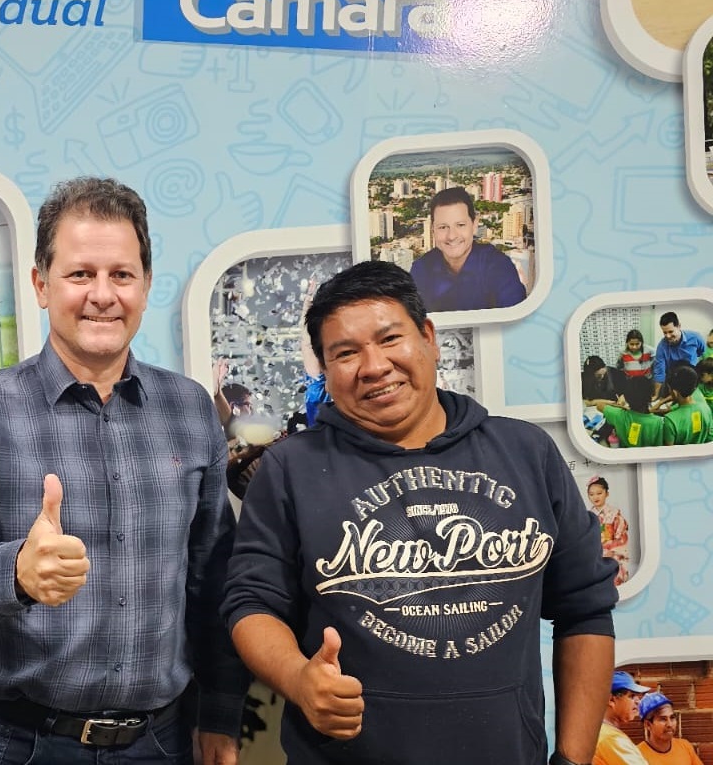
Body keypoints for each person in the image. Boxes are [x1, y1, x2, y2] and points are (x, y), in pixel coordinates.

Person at [0, 176, 248, 765]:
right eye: (80, 274)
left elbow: (212, 575)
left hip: (160, 743)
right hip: (14, 743)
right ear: (42, 284)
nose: (102, 295)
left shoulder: (190, 409)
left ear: (145, 285)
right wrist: (15, 570)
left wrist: (220, 711)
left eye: (122, 274)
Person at [223, 260, 617, 765]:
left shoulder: (526, 453)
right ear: (325, 368)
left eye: (390, 338)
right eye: (345, 352)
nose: (373, 366)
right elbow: (252, 605)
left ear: (428, 338)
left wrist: (572, 759)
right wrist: (300, 680)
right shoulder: (289, 469)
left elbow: (585, 609)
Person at [408, 186, 527, 312]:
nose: (452, 236)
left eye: (460, 225)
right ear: (433, 230)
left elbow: (516, 317)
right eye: (443, 227)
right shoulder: (421, 269)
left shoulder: (499, 267)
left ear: (474, 225)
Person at [594, 671, 650, 765]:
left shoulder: (600, 732)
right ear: (611, 700)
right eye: (631, 696)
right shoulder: (611, 738)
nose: (638, 701)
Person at [587, 477, 629, 586]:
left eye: (599, 493)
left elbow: (621, 540)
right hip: (593, 557)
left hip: (612, 556)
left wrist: (606, 552)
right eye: (591, 494)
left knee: (613, 578)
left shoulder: (615, 515)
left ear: (607, 493)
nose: (595, 497)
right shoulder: (587, 516)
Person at [636, 692, 700, 764]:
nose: (669, 724)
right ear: (648, 724)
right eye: (663, 719)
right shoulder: (637, 756)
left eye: (672, 717)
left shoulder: (685, 746)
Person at [651, 313, 704, 400]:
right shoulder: (662, 346)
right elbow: (659, 372)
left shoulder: (695, 338)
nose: (668, 336)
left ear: (679, 326)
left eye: (671, 332)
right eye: (665, 333)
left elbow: (701, 352)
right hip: (672, 380)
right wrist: (656, 394)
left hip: (691, 379)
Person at [658, 364, 713, 445]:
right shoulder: (705, 409)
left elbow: (669, 449)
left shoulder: (670, 420)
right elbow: (709, 437)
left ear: (675, 393)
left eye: (669, 389)